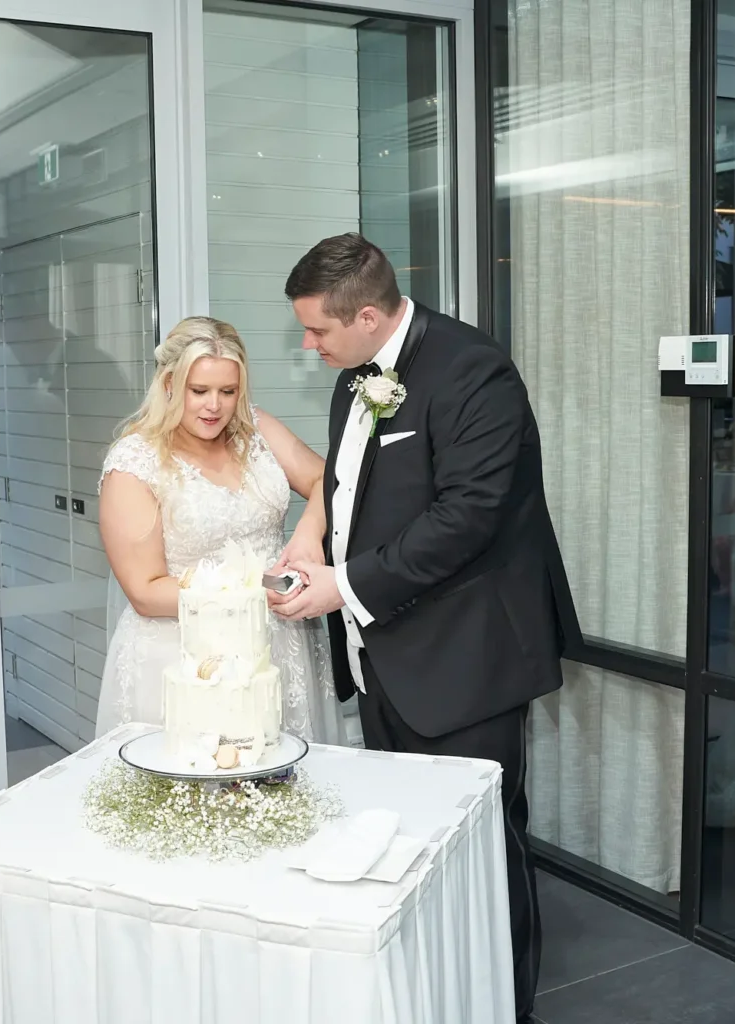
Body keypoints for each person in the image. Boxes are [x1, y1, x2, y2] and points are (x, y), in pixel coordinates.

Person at [268, 233, 579, 1022]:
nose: (309, 346)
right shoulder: (356, 377)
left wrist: (346, 585)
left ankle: (503, 1007)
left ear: (368, 315)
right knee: (407, 848)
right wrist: (312, 545)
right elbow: (347, 488)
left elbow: (468, 517)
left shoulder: (474, 370)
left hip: (467, 656)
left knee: (483, 855)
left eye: (319, 331)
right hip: (388, 654)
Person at [95, 316, 344, 744]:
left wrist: (307, 532)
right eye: (200, 391)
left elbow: (327, 480)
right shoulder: (135, 462)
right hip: (188, 652)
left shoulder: (257, 430)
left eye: (228, 392)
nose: (215, 406)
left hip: (279, 643)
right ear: (169, 384)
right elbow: (145, 591)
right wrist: (252, 592)